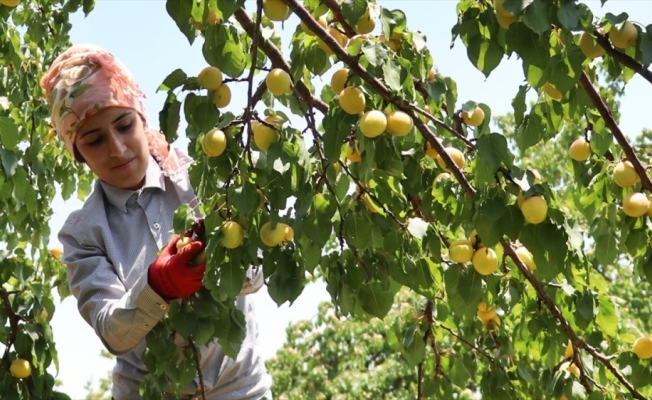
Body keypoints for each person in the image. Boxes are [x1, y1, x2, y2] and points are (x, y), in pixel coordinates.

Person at [39, 44, 272, 399]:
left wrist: (221, 263)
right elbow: (112, 332)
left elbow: (256, 273)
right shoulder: (82, 233)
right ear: (78, 154)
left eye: (124, 124)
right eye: (94, 140)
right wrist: (158, 286)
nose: (116, 148)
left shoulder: (201, 175)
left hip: (240, 388)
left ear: (141, 117)